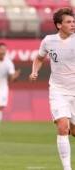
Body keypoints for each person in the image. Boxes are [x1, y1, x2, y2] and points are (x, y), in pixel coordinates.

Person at [29, 7, 75, 170]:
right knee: (63, 126)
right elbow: (39, 58)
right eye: (68, 22)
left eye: (73, 21)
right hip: (58, 90)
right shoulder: (48, 41)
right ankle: (67, 168)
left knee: (73, 131)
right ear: (58, 25)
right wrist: (35, 71)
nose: (72, 24)